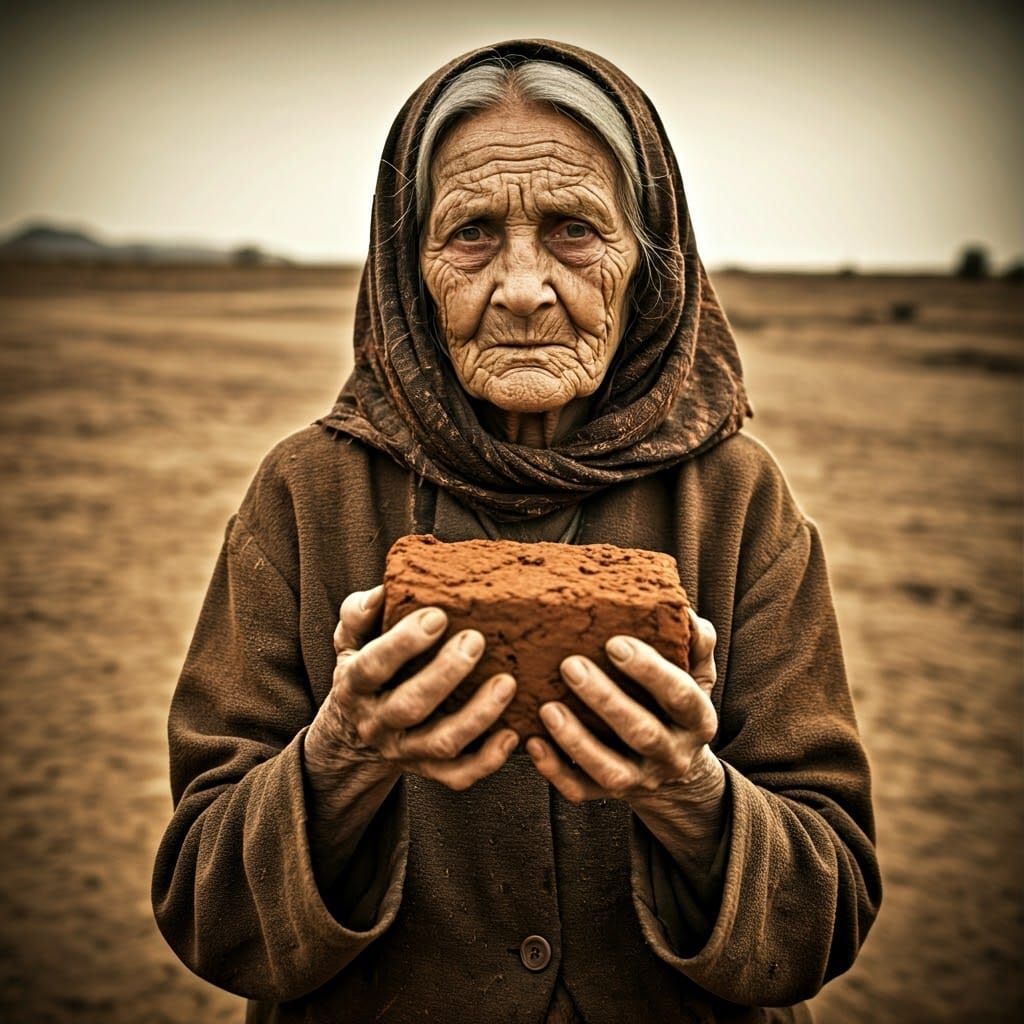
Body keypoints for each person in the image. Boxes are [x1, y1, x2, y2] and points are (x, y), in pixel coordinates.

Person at [151, 39, 881, 1024]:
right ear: (409, 273)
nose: (525, 286)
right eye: (471, 234)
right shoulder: (306, 493)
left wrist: (690, 791)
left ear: (649, 263)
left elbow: (826, 914)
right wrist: (343, 754)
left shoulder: (738, 500)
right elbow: (207, 911)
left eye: (575, 229)